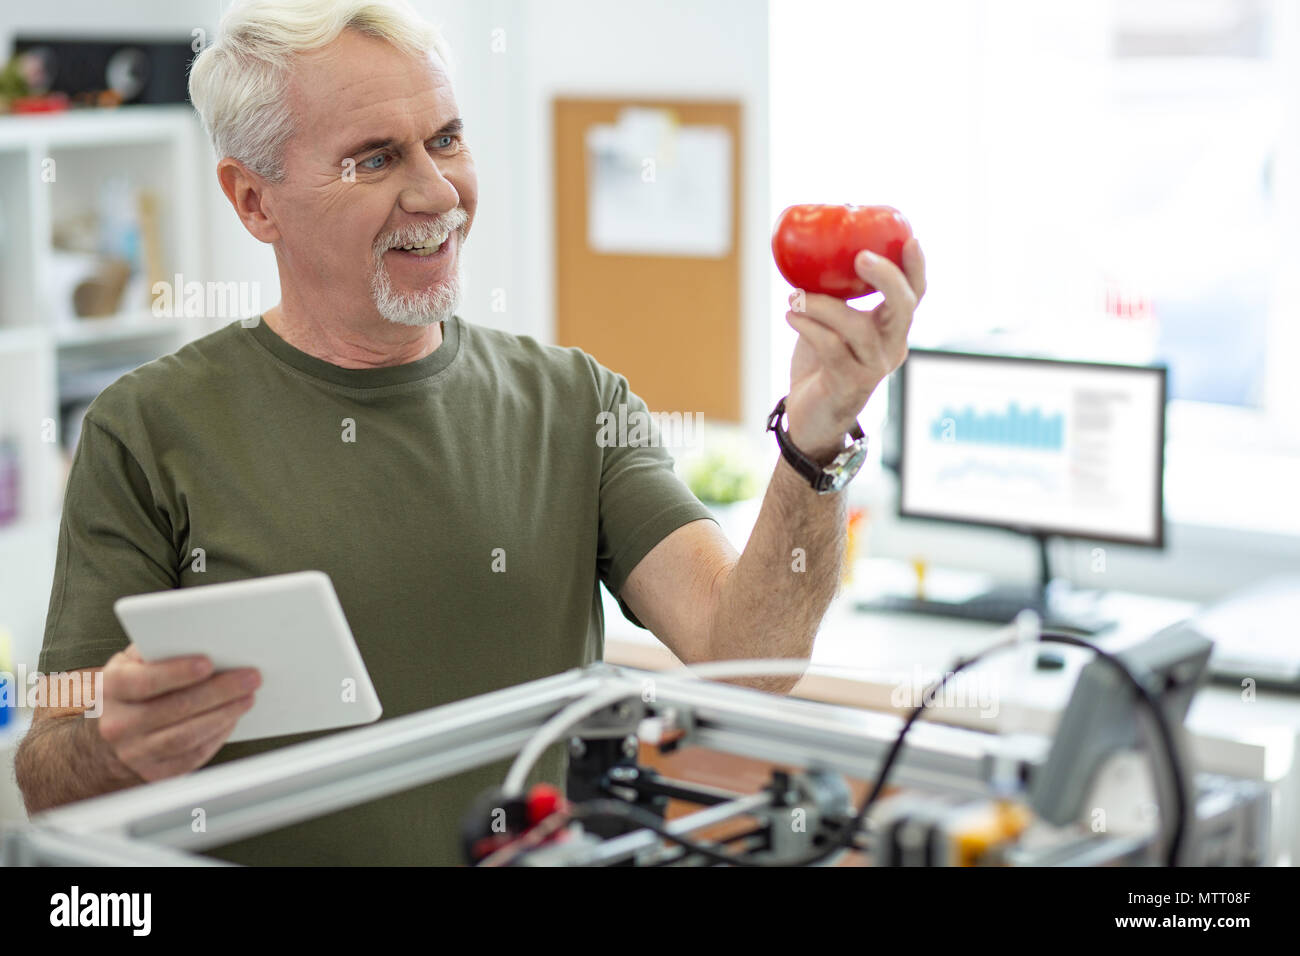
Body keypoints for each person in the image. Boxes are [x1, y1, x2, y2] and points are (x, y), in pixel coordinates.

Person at [15, 0, 925, 865]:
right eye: (373, 159)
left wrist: (816, 438)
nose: (436, 191)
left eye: (446, 139)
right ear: (255, 202)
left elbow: (746, 665)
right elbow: (49, 777)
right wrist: (117, 742)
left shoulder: (574, 402)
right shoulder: (145, 428)